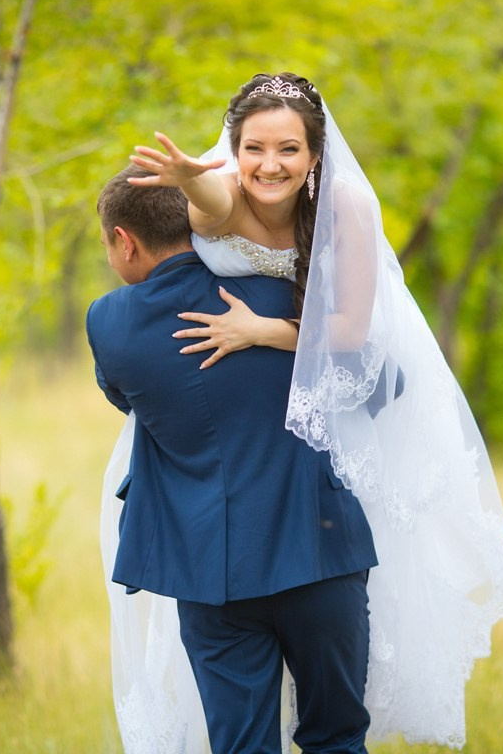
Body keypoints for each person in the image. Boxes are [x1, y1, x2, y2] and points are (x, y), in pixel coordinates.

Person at [113, 72, 503, 749]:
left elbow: (352, 334)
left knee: (335, 678)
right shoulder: (220, 189)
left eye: (287, 150)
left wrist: (263, 332)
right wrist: (192, 177)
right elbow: (215, 202)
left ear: (314, 156)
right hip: (230, 420)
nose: (268, 166)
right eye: (253, 148)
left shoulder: (348, 205)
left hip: (322, 405)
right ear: (234, 148)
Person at [86, 164, 379, 753]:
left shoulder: (110, 322)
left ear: (124, 240)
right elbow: (375, 381)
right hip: (318, 550)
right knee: (339, 739)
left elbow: (126, 399)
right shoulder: (285, 297)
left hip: (211, 573)